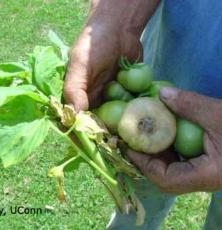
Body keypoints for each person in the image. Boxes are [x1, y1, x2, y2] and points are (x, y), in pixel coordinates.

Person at [64, 1, 222, 229]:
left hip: (154, 93)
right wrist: (117, 21)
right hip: (167, 62)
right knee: (139, 194)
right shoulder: (138, 83)